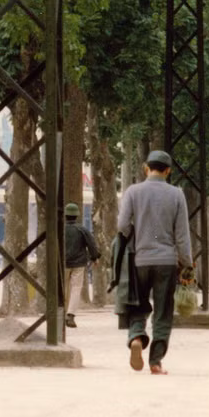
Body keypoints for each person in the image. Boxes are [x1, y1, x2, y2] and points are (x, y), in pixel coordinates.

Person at [117, 150, 193, 375]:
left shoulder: (133, 192)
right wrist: (187, 263)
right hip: (167, 262)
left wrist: (135, 236)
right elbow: (182, 235)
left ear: (146, 167)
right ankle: (156, 361)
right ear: (168, 171)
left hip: (140, 259)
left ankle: (136, 336)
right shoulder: (176, 194)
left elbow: (122, 224)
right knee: (163, 310)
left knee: (138, 303)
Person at [64, 202, 101, 329]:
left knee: (64, 289)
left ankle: (61, 312)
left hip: (63, 263)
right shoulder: (82, 230)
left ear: (65, 215)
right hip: (79, 264)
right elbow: (91, 244)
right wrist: (95, 257)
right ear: (77, 216)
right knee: (76, 288)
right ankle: (70, 315)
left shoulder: (60, 229)